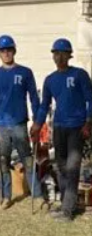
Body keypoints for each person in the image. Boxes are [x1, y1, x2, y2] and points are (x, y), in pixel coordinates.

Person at [30, 38, 92, 222]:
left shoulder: (80, 75)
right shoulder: (50, 80)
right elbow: (44, 106)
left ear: (69, 55)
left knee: (72, 168)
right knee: (60, 167)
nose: (58, 56)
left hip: (77, 128)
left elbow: (90, 99)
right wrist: (37, 124)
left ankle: (67, 211)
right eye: (55, 53)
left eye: (62, 53)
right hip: (59, 127)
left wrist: (88, 122)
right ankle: (67, 203)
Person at [0, 35, 41, 209]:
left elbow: (34, 98)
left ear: (14, 51)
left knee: (28, 160)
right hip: (1, 127)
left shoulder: (25, 72)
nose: (6, 53)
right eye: (2, 50)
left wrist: (37, 122)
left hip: (19, 125)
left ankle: (37, 195)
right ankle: (6, 196)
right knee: (2, 162)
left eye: (9, 49)